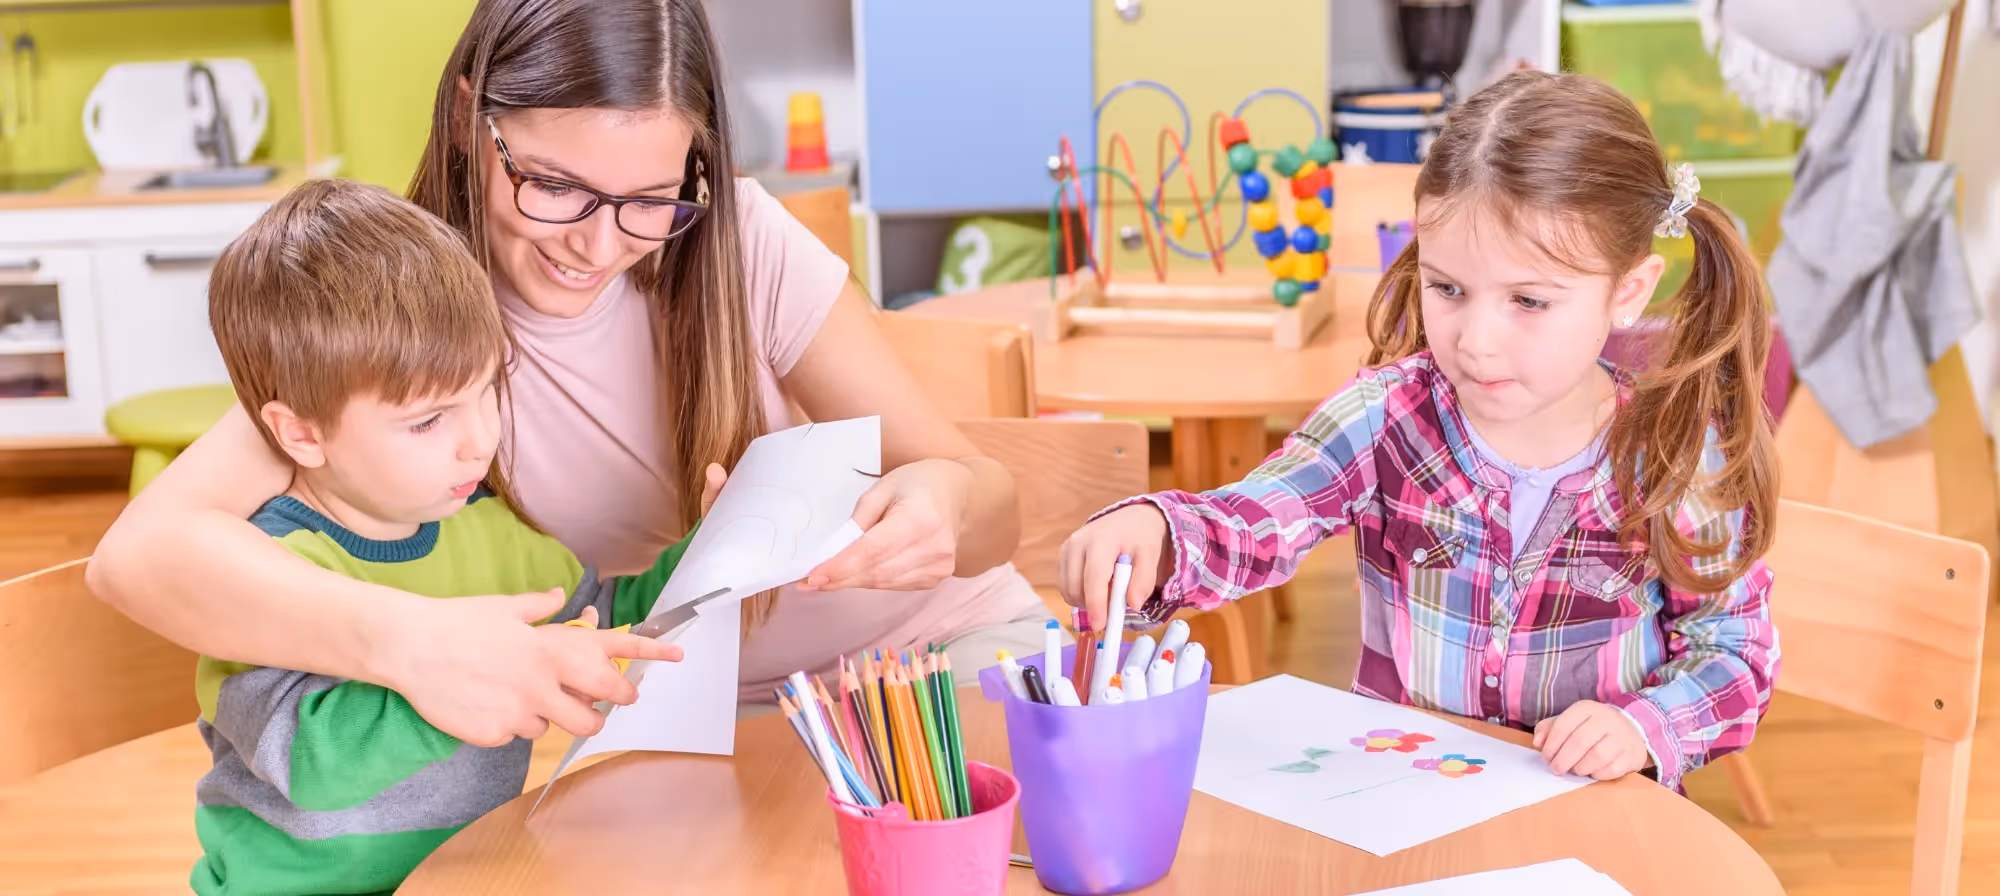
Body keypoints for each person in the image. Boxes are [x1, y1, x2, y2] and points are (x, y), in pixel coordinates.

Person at [85, 0, 1046, 748]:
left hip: (935, 667)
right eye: (553, 185)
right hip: (689, 732)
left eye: (649, 199)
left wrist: (939, 508)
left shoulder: (741, 240)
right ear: (469, 120)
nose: (595, 245)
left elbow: (990, 504)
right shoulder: (404, 308)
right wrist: (408, 642)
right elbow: (141, 557)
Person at [1057, 71, 1780, 793]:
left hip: (1596, 819)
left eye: (1528, 300)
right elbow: (1258, 519)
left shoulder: (1680, 453)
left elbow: (1735, 652)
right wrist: (1159, 530)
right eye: (1449, 289)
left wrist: (1642, 727)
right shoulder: (1385, 417)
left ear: (1627, 292)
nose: (1477, 341)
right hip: (1404, 804)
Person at [191, 179, 719, 894]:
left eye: (489, 391)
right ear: (301, 434)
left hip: (476, 878)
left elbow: (612, 616)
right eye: (428, 420)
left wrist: (711, 546)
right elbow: (310, 762)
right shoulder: (262, 574)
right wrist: (486, 683)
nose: (480, 442)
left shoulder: (499, 536)